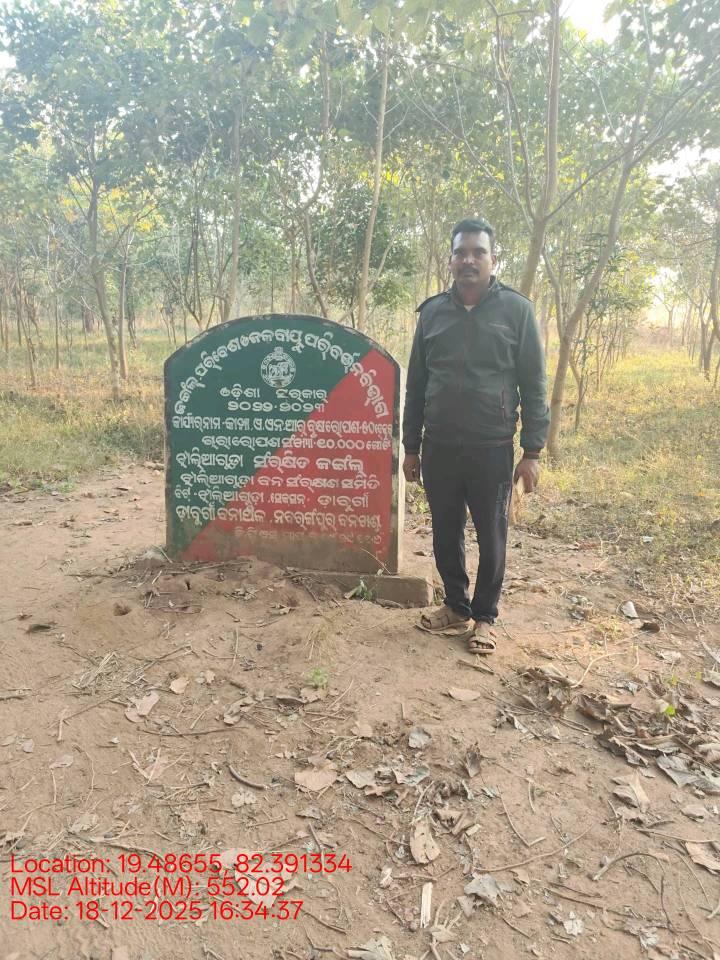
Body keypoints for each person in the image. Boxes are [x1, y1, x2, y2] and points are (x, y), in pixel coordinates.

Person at [402, 217, 550, 654]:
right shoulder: (432, 313)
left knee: (492, 533)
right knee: (445, 530)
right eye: (461, 252)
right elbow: (416, 385)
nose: (469, 260)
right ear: (450, 260)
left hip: (492, 446)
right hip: (440, 446)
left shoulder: (516, 311)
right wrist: (411, 447)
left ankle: (484, 616)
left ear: (493, 259)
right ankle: (455, 605)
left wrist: (532, 451)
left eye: (478, 252)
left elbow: (534, 384)